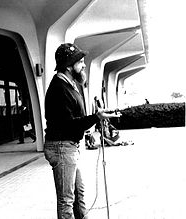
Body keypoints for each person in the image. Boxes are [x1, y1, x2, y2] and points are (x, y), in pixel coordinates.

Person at [43, 43, 120, 219]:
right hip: (62, 147)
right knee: (67, 201)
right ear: (69, 65)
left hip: (68, 147)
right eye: (80, 61)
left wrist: (97, 116)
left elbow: (75, 118)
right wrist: (96, 117)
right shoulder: (59, 89)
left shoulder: (70, 84)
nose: (84, 65)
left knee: (79, 194)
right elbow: (70, 124)